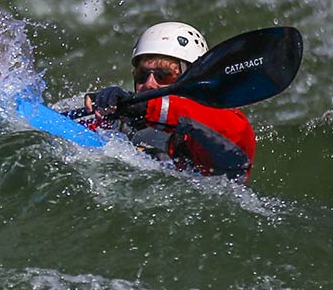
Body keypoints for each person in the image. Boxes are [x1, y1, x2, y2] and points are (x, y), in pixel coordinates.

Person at [84, 22, 256, 180]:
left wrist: (149, 108)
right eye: (142, 75)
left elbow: (235, 133)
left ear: (193, 78)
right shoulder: (125, 122)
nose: (149, 84)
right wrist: (102, 110)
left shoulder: (211, 126)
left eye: (163, 75)